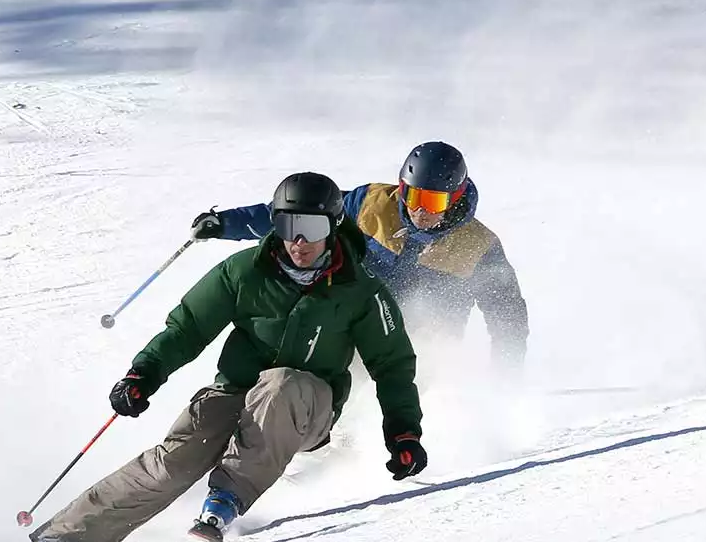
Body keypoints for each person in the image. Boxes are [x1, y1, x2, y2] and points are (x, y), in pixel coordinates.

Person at [22, 172, 427, 542]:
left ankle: (226, 499)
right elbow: (189, 328)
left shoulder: (362, 290)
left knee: (283, 383)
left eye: (311, 228)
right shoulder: (244, 271)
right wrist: (143, 374)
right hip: (238, 392)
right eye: (288, 227)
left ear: (333, 226)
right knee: (174, 461)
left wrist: (404, 432)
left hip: (308, 409)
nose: (298, 242)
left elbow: (391, 364)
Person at [192, 141, 528, 370]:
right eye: (411, 195)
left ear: (455, 198)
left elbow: (508, 315)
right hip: (356, 323)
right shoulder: (372, 205)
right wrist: (224, 224)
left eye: (433, 202)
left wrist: (505, 378)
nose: (419, 210)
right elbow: (305, 213)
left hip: (423, 350)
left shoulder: (478, 246)